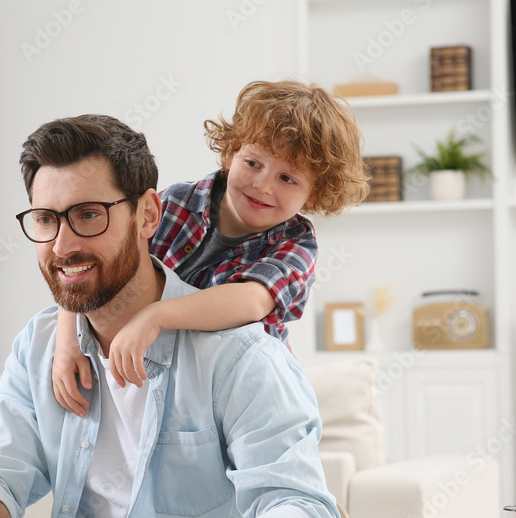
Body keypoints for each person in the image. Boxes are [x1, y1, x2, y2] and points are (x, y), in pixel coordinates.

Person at [0, 114, 343, 518]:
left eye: (89, 215)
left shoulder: (240, 356)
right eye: (45, 219)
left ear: (149, 216)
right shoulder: (39, 347)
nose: (61, 245)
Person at [52, 80, 369, 417]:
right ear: (231, 152)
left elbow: (250, 300)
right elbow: (93, 263)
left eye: (287, 179)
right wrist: (66, 340)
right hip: (163, 372)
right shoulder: (173, 202)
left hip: (243, 392)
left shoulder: (296, 243)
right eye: (253, 163)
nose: (262, 185)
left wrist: (155, 316)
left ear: (314, 194)